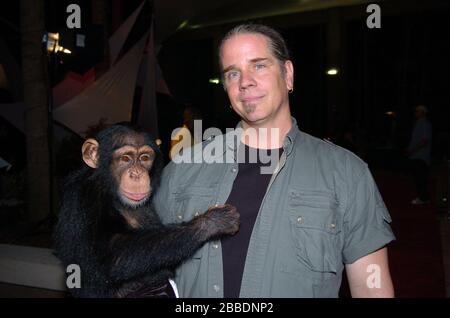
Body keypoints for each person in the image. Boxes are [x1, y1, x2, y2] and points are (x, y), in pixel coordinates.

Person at [154, 23, 395, 298]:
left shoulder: (347, 173)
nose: (245, 81)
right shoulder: (183, 170)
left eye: (259, 66)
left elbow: (372, 287)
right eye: (233, 73)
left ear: (288, 74)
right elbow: (137, 265)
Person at [406, 105, 432, 205]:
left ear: (423, 112)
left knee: (421, 178)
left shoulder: (424, 123)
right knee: (418, 178)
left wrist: (412, 150)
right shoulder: (419, 123)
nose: (415, 113)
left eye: (417, 111)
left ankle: (423, 198)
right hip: (417, 155)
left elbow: (424, 141)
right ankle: (423, 197)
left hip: (421, 156)